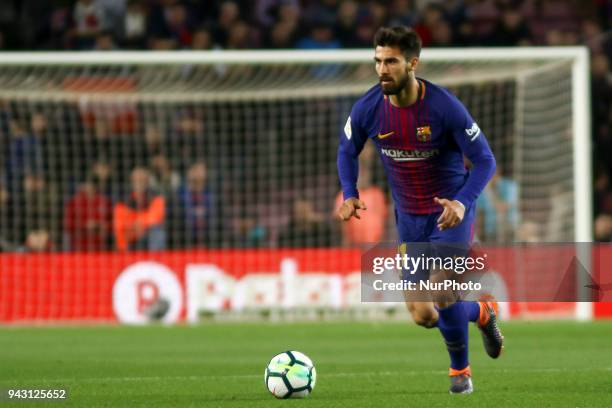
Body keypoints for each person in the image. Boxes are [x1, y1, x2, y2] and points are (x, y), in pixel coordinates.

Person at [336, 26, 503, 394]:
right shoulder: (367, 108)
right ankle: (482, 312)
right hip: (410, 219)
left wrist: (462, 202)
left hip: (450, 214)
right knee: (424, 315)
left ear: (413, 63)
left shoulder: (444, 107)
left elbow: (485, 160)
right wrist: (349, 192)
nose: (382, 69)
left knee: (442, 291)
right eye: (378, 60)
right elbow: (347, 150)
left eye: (391, 61)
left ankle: (460, 372)